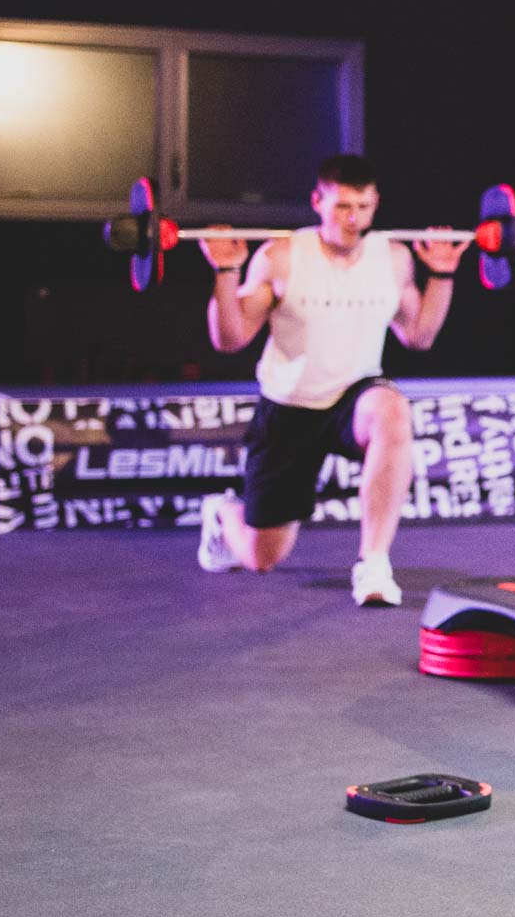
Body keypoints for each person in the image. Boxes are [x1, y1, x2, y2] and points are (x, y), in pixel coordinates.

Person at [193, 154, 470, 607]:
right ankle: (223, 512)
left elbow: (418, 335)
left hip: (354, 397)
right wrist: (226, 273)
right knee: (262, 556)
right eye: (342, 206)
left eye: (363, 206)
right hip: (290, 407)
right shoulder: (281, 257)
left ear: (375, 204)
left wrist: (442, 274)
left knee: (393, 411)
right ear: (317, 202)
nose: (353, 218)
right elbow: (231, 338)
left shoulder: (394, 258)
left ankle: (374, 562)